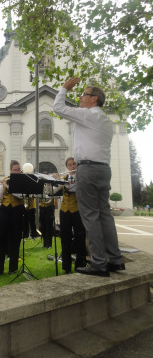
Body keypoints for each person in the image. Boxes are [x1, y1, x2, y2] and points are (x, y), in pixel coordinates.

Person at [53, 77, 125, 277]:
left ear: (93, 99)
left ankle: (99, 263)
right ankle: (116, 260)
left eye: (83, 94)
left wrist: (64, 89)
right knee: (105, 215)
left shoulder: (87, 115)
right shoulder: (105, 120)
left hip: (88, 169)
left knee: (90, 217)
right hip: (104, 169)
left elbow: (58, 108)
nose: (80, 97)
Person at [54, 157, 87, 274]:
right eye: (70, 165)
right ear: (67, 167)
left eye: (74, 164)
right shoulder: (64, 178)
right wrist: (54, 181)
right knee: (65, 238)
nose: (72, 167)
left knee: (80, 237)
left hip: (77, 210)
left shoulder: (81, 178)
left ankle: (80, 264)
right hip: (64, 211)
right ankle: (66, 266)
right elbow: (54, 191)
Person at [0, 160, 24, 275]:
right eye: (15, 170)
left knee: (15, 238)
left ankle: (12, 268)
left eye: (19, 169)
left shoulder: (22, 180)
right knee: (0, 238)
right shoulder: (5, 179)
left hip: (17, 210)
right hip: (4, 210)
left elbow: (20, 195)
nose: (18, 171)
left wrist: (6, 186)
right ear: (10, 170)